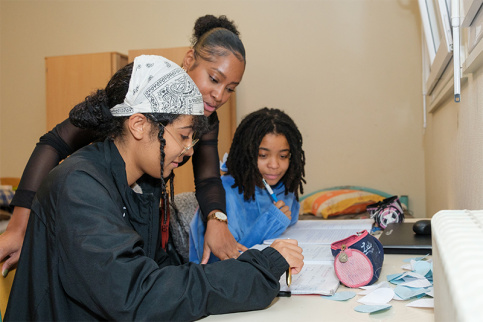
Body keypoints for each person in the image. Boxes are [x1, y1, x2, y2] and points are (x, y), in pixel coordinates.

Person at [4, 55, 304, 321]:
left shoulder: (146, 184)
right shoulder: (79, 186)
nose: (188, 151)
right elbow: (138, 296)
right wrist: (260, 267)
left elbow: (165, 274)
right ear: (138, 125)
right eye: (183, 136)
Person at [0, 14, 246, 276]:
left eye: (231, 89)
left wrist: (216, 218)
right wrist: (18, 225)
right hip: (101, 206)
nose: (219, 96)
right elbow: (55, 142)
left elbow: (207, 178)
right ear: (189, 60)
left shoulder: (206, 117)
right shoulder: (143, 90)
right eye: (214, 79)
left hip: (143, 208)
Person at [190, 108, 306, 263]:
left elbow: (290, 224)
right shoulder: (224, 194)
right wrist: (269, 223)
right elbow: (225, 260)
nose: (274, 165)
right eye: (263, 155)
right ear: (247, 153)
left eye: (283, 156)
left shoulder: (284, 186)